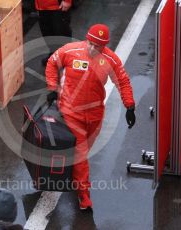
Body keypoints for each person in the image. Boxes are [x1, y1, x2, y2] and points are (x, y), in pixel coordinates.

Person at [45, 24, 136, 211]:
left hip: (95, 115)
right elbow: (52, 63)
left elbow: (123, 81)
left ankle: (73, 178)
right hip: (71, 112)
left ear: (105, 46)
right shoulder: (71, 51)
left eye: (98, 46)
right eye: (91, 43)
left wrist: (130, 106)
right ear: (86, 39)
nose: (93, 48)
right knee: (80, 155)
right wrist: (52, 89)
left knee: (82, 153)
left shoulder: (111, 59)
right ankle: (84, 197)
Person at [35, 0, 73, 65]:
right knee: (47, 33)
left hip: (57, 6)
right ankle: (54, 55)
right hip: (41, 7)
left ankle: (65, 60)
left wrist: (67, 1)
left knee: (61, 33)